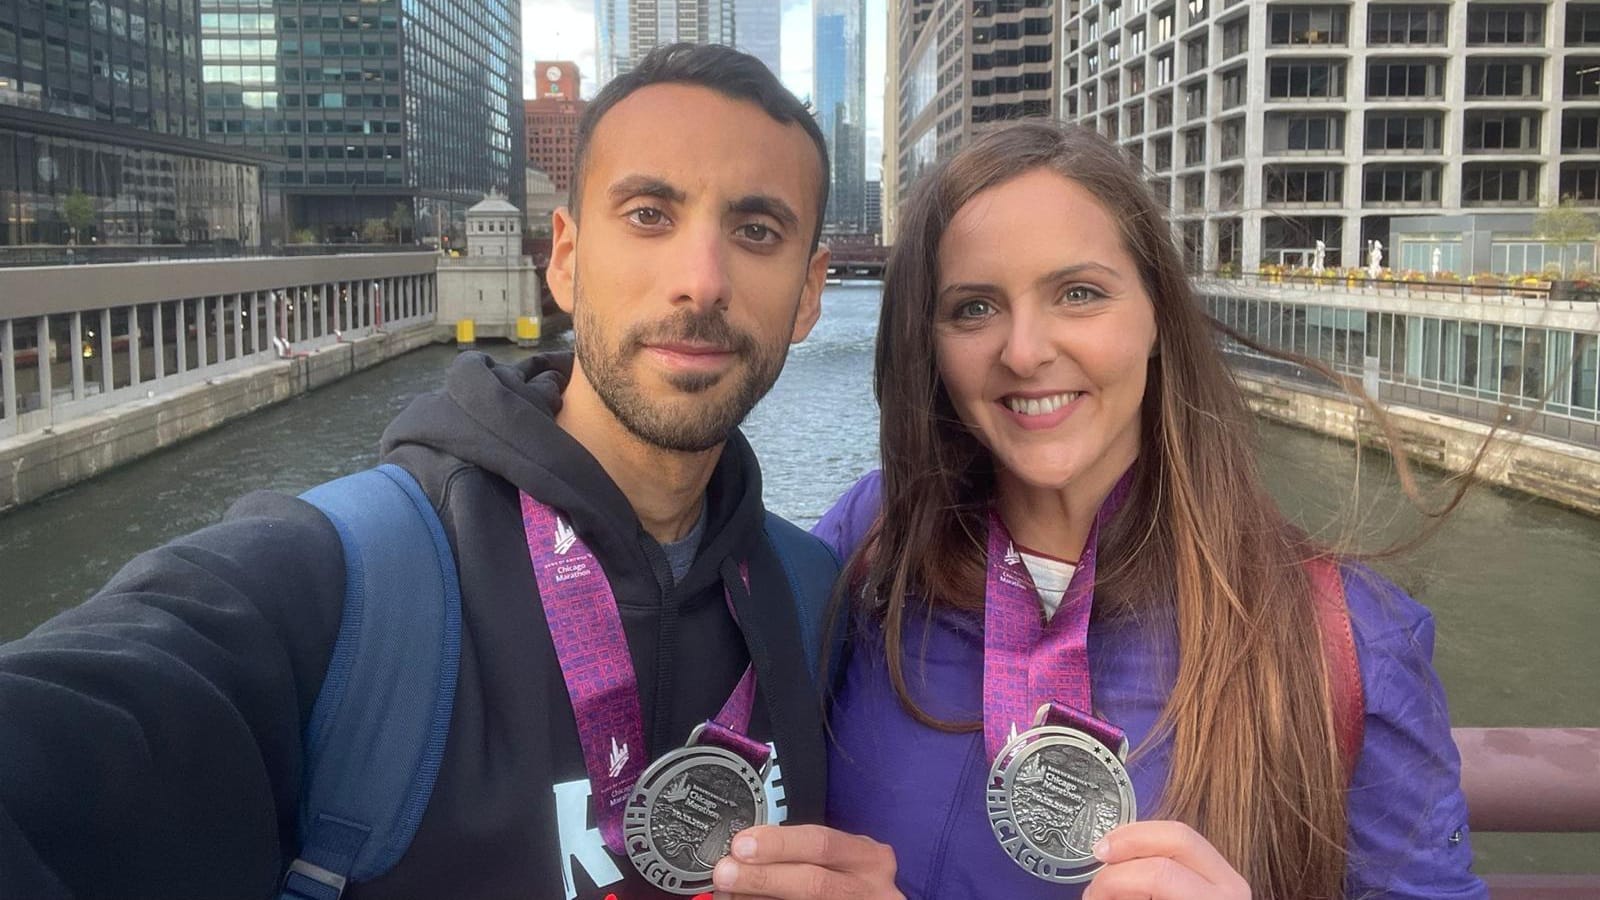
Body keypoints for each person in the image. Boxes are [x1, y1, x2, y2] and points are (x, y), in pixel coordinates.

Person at [0, 44, 895, 900]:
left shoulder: (812, 600)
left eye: (756, 229)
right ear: (567, 258)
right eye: (649, 215)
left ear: (811, 290)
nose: (701, 280)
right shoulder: (339, 590)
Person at [781, 122, 1484, 899]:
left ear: (1156, 314)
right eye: (975, 308)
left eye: (1078, 294)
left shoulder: (1342, 641)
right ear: (930, 345)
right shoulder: (875, 544)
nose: (1024, 350)